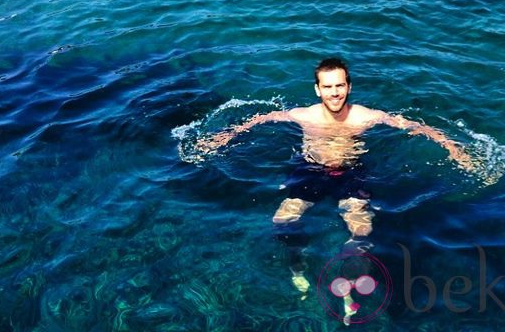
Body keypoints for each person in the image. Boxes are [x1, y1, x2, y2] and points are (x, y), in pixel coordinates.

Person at [194, 58, 475, 297]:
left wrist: (454, 149)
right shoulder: (304, 116)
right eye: (327, 87)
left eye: (340, 85)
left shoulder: (365, 117)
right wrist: (224, 136)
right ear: (317, 90)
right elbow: (262, 118)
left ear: (349, 87)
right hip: (310, 170)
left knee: (362, 230)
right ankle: (298, 262)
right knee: (283, 220)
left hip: (351, 173)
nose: (335, 93)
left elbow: (414, 125)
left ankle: (352, 275)